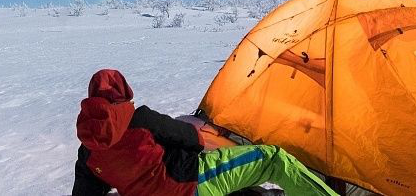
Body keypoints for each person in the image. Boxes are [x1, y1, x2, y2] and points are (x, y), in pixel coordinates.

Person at [73, 69, 339, 196]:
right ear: (123, 92)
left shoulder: (87, 152)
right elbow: (192, 139)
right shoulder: (141, 119)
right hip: (192, 185)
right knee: (272, 159)